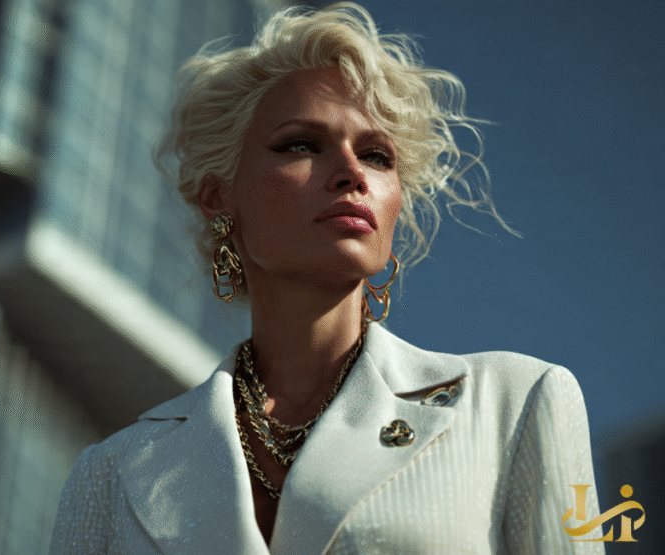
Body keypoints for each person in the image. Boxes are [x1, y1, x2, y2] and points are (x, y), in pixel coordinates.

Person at [49, 3, 603, 553]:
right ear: (220, 198)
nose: (351, 172)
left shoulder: (517, 403)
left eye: (377, 155)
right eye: (301, 144)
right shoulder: (112, 473)